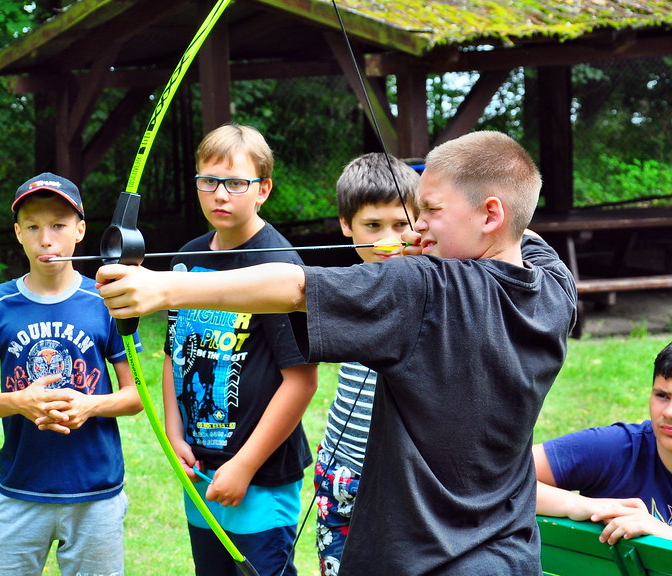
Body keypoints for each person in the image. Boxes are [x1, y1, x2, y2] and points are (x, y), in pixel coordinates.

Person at [96, 130, 578, 575]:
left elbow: (294, 286)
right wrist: (442, 233)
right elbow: (525, 235)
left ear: (490, 215)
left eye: (430, 210)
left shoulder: (426, 287)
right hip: (509, 555)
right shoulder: (555, 290)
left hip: (421, 560)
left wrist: (164, 288)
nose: (417, 225)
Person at [0, 172, 143, 576]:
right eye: (33, 227)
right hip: (20, 490)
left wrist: (90, 406)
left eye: (58, 225)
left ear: (80, 230)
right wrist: (17, 402)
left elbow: (136, 396)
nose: (46, 239)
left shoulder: (107, 300)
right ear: (18, 233)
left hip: (96, 494)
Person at [163, 123, 318, 576]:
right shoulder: (187, 260)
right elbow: (175, 354)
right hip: (201, 468)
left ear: (263, 189)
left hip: (260, 476)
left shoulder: (279, 266)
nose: (219, 195)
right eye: (208, 181)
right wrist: (175, 434)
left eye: (235, 183)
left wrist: (244, 466)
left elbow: (302, 381)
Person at [313, 152, 419, 576]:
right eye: (372, 226)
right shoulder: (349, 285)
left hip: (401, 480)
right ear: (346, 225)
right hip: (342, 470)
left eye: (401, 224)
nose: (388, 240)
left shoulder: (432, 282)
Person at [534, 332, 672, 552]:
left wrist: (670, 538)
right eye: (662, 395)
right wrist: (580, 505)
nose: (670, 412)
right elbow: (507, 474)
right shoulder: (615, 447)